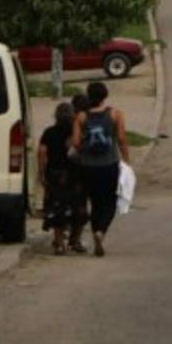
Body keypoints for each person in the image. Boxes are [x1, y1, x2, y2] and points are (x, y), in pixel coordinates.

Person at [71, 81, 130, 257]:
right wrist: (126, 162)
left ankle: (96, 231)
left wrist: (85, 149)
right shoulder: (115, 114)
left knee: (96, 202)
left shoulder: (81, 117)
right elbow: (121, 139)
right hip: (109, 164)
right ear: (105, 96)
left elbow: (75, 143)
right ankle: (100, 232)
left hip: (88, 167)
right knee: (110, 202)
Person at [37, 103, 77, 254]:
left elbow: (42, 153)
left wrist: (41, 174)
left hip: (53, 174)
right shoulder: (75, 132)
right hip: (71, 174)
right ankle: (65, 241)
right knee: (69, 207)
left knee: (55, 207)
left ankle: (59, 242)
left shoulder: (49, 132)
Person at [67, 93, 91, 253]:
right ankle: (75, 240)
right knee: (81, 206)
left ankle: (61, 240)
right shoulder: (90, 121)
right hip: (83, 169)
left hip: (65, 171)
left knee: (65, 205)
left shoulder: (67, 122)